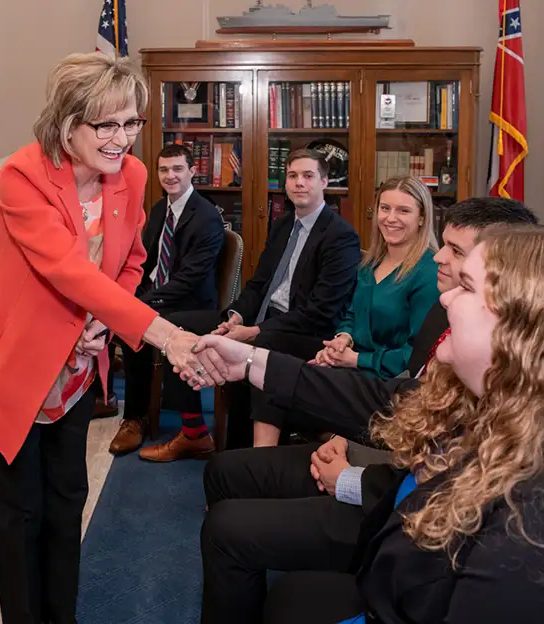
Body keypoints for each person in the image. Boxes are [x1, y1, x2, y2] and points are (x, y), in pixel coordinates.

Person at [0, 52, 226, 624]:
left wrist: (100, 322)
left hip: (77, 370)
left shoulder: (133, 177)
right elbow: (65, 270)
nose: (121, 139)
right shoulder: (23, 178)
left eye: (131, 123)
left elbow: (131, 263)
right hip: (13, 368)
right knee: (18, 514)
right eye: (107, 124)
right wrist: (164, 334)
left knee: (67, 500)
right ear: (68, 121)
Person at [177, 198, 538, 622]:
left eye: (468, 285)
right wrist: (250, 361)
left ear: (516, 327)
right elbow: (386, 401)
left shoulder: (526, 520)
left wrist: (349, 479)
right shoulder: (487, 403)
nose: (447, 300)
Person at [138, 148, 361, 460]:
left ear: (324, 182)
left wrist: (253, 331)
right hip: (263, 318)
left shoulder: (341, 236)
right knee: (182, 327)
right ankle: (194, 433)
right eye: (293, 176)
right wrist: (236, 316)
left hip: (306, 330)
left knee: (261, 346)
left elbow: (320, 311)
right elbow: (259, 284)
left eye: (308, 176)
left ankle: (244, 459)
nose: (299, 183)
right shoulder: (283, 226)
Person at [253, 175, 440, 446]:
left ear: (422, 218)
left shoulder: (428, 274)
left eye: (403, 210)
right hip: (349, 365)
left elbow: (415, 359)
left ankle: (322, 449)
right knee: (273, 371)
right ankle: (264, 462)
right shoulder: (370, 263)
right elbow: (350, 315)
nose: (391, 218)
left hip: (385, 382)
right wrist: (342, 340)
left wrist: (354, 360)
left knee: (283, 384)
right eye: (385, 208)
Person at [109, 144, 225, 455]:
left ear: (192, 172)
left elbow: (189, 280)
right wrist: (127, 291)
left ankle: (135, 417)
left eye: (177, 169)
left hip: (191, 304)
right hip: (160, 294)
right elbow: (146, 261)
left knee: (135, 322)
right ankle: (104, 398)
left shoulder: (207, 217)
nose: (170, 176)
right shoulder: (161, 209)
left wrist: (144, 304)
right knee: (108, 303)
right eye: (164, 170)